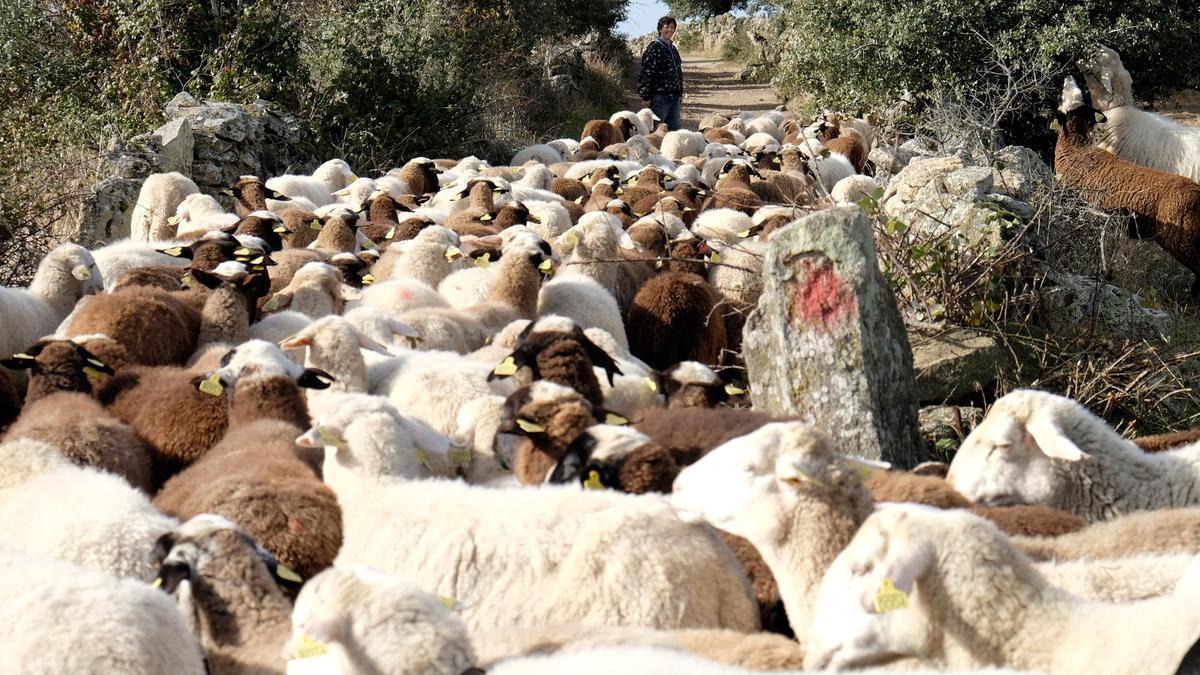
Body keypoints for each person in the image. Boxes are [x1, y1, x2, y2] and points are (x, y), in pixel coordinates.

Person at [637, 16, 684, 131]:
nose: (670, 30)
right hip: (659, 98)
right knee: (654, 132)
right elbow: (646, 73)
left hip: (674, 98)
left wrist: (680, 92)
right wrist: (645, 96)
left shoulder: (673, 49)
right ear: (660, 29)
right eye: (666, 27)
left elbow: (678, 72)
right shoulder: (654, 48)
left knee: (675, 133)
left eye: (672, 27)